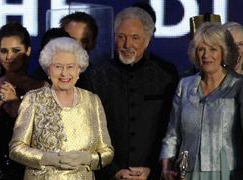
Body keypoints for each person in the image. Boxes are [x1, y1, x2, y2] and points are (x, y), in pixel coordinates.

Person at [86, 7, 179, 180]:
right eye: (121, 37)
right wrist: (113, 171)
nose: (127, 44)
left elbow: (172, 129)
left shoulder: (166, 74)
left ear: (148, 40)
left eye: (135, 38)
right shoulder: (96, 75)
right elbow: (90, 131)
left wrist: (153, 169)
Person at [9, 37, 114, 179]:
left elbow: (107, 152)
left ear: (79, 70)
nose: (64, 73)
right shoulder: (33, 99)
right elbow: (16, 149)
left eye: (70, 66)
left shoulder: (92, 101)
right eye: (58, 66)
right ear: (48, 69)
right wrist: (49, 159)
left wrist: (87, 158)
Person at [160, 22, 243, 180]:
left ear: (223, 52)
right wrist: (166, 167)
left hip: (227, 173)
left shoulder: (239, 86)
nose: (206, 55)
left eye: (213, 49)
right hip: (187, 172)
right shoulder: (184, 85)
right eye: (201, 49)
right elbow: (172, 134)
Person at [0, 22, 45, 180]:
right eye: (4, 51)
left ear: (28, 51)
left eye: (16, 50)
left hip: (28, 170)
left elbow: (43, 132)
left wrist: (16, 101)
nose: (9, 57)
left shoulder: (40, 87)